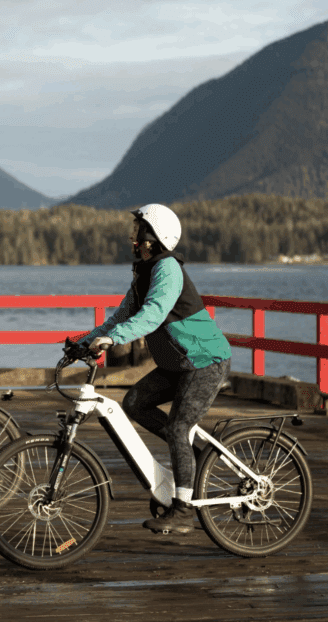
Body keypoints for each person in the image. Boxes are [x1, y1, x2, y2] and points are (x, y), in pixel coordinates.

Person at [81, 204, 232, 534]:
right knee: (135, 403)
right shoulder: (145, 272)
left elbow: (151, 315)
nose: (132, 235)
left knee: (179, 427)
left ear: (153, 235)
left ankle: (182, 510)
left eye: (138, 229)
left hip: (205, 360)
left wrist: (113, 340)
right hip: (178, 363)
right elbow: (120, 317)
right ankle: (196, 456)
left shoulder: (167, 270)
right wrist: (85, 341)